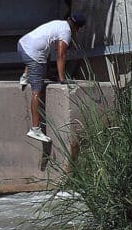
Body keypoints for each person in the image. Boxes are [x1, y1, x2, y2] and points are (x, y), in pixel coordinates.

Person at [17, 13, 86, 143]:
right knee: (37, 91)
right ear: (77, 28)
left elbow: (46, 48)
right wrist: (62, 79)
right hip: (32, 54)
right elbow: (61, 55)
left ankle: (25, 76)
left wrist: (48, 73)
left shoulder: (58, 24)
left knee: (43, 52)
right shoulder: (66, 32)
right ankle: (35, 129)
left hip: (22, 45)